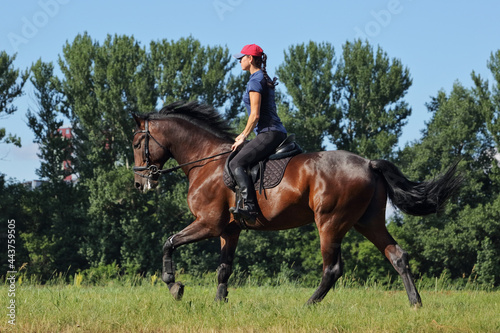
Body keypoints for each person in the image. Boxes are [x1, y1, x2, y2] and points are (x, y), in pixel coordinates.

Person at [229, 44, 287, 225]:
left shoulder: (255, 80)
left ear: (251, 59)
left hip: (268, 133)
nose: (240, 61)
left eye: (242, 58)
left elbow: (255, 115)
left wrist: (243, 136)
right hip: (274, 132)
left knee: (236, 162)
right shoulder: (262, 77)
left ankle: (249, 206)